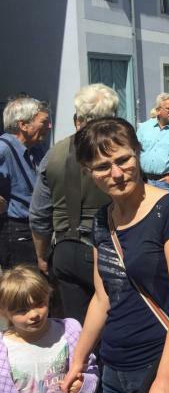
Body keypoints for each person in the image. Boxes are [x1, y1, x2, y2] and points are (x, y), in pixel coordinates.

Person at [64, 117, 169, 393]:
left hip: (157, 365)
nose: (117, 172)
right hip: (114, 372)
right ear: (87, 171)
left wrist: (166, 379)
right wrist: (78, 361)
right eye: (102, 166)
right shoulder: (102, 219)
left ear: (137, 154)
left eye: (123, 159)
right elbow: (102, 297)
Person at [29, 84, 118, 319]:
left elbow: (39, 215)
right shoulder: (120, 152)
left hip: (66, 250)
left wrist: (41, 254)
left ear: (78, 118)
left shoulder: (54, 153)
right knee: (117, 321)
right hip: (110, 248)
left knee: (77, 327)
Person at [0, 265, 101, 393]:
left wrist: (83, 385)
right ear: (5, 312)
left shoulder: (68, 331)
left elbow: (92, 371)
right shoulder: (3, 348)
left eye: (39, 303)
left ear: (48, 296)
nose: (34, 314)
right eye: (22, 310)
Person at [0, 97, 51, 269]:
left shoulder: (38, 148)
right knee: (23, 290)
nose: (49, 126)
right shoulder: (3, 149)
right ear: (23, 125)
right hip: (17, 232)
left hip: (38, 229)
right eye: (44, 122)